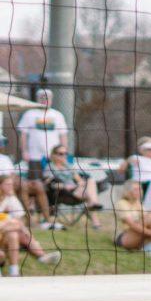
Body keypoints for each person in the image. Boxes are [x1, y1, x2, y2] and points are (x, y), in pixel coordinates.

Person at [17, 88, 67, 230]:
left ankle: (48, 216)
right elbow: (23, 135)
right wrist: (24, 151)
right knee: (34, 185)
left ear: (51, 99)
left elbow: (63, 135)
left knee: (50, 186)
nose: (45, 100)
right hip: (34, 157)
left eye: (47, 97)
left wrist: (65, 152)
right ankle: (33, 214)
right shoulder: (29, 114)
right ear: (38, 99)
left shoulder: (57, 115)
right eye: (42, 97)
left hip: (53, 159)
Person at [0, 175, 61, 276]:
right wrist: (9, 223)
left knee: (14, 234)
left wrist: (10, 225)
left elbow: (20, 221)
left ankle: (14, 272)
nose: (10, 187)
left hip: (6, 235)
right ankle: (41, 256)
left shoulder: (10, 197)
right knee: (15, 229)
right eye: (7, 184)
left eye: (11, 184)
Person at [113, 181, 151, 262]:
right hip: (124, 238)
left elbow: (148, 219)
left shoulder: (137, 203)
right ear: (128, 191)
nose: (140, 191)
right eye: (136, 189)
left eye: (140, 189)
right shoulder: (121, 203)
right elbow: (132, 225)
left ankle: (150, 247)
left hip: (136, 236)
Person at [43, 145, 102, 228]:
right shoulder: (50, 167)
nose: (64, 156)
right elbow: (49, 184)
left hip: (77, 190)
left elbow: (79, 180)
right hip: (65, 193)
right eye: (61, 153)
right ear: (54, 155)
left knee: (90, 181)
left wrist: (80, 183)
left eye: (65, 153)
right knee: (89, 195)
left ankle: (93, 204)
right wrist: (65, 186)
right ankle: (95, 218)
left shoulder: (68, 166)